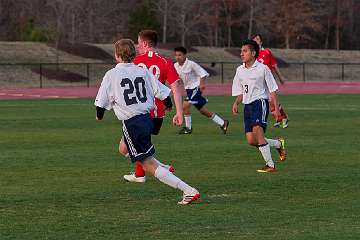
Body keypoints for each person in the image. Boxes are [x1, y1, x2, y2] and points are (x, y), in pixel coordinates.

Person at [95, 39, 200, 205]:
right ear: (134, 54)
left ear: (116, 55)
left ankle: (188, 190)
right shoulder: (142, 71)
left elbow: (101, 102)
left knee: (147, 164)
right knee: (123, 148)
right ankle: (163, 166)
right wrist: (168, 106)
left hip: (133, 123)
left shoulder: (111, 74)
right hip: (146, 118)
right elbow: (162, 92)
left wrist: (99, 116)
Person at [121, 30, 183, 183]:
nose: (137, 46)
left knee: (124, 148)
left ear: (145, 43)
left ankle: (160, 167)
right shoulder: (165, 62)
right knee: (140, 144)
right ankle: (140, 174)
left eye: (138, 43)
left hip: (139, 111)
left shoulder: (134, 61)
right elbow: (175, 88)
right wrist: (179, 113)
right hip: (158, 114)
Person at [231, 39, 287, 173]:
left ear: (253, 53)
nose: (241, 54)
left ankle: (270, 165)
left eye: (245, 51)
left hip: (260, 103)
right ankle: (278, 144)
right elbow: (241, 91)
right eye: (241, 51)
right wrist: (236, 103)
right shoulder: (239, 70)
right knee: (251, 140)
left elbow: (273, 89)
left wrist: (276, 109)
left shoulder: (263, 68)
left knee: (258, 131)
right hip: (247, 106)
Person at [174, 46, 229, 134]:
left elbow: (202, 73)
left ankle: (188, 128)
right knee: (202, 111)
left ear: (185, 55)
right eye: (176, 55)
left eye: (180, 55)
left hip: (196, 87)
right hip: (188, 90)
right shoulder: (175, 66)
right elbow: (174, 77)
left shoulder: (191, 64)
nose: (177, 57)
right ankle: (223, 123)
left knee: (185, 105)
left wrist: (202, 84)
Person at [252, 34, 289, 128]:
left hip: (268, 81)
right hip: (259, 83)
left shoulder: (266, 52)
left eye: (257, 39)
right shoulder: (252, 55)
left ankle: (283, 119)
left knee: (272, 100)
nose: (255, 41)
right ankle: (278, 119)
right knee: (268, 102)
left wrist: (280, 77)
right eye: (254, 39)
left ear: (261, 42)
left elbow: (274, 65)